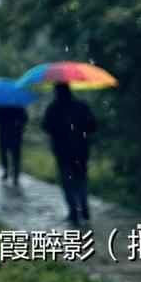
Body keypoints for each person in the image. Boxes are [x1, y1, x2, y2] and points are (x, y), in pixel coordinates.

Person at [42, 83, 97, 226]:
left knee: (67, 182)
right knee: (81, 179)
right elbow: (93, 125)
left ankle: (74, 211)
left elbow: (46, 126)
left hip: (63, 152)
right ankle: (84, 207)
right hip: (81, 150)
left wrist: (60, 130)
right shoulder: (81, 106)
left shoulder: (54, 108)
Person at [0, 105, 28, 186]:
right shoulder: (19, 107)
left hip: (3, 135)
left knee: (3, 154)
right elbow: (25, 119)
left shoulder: (1, 107)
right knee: (16, 155)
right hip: (16, 135)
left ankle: (6, 171)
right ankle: (16, 174)